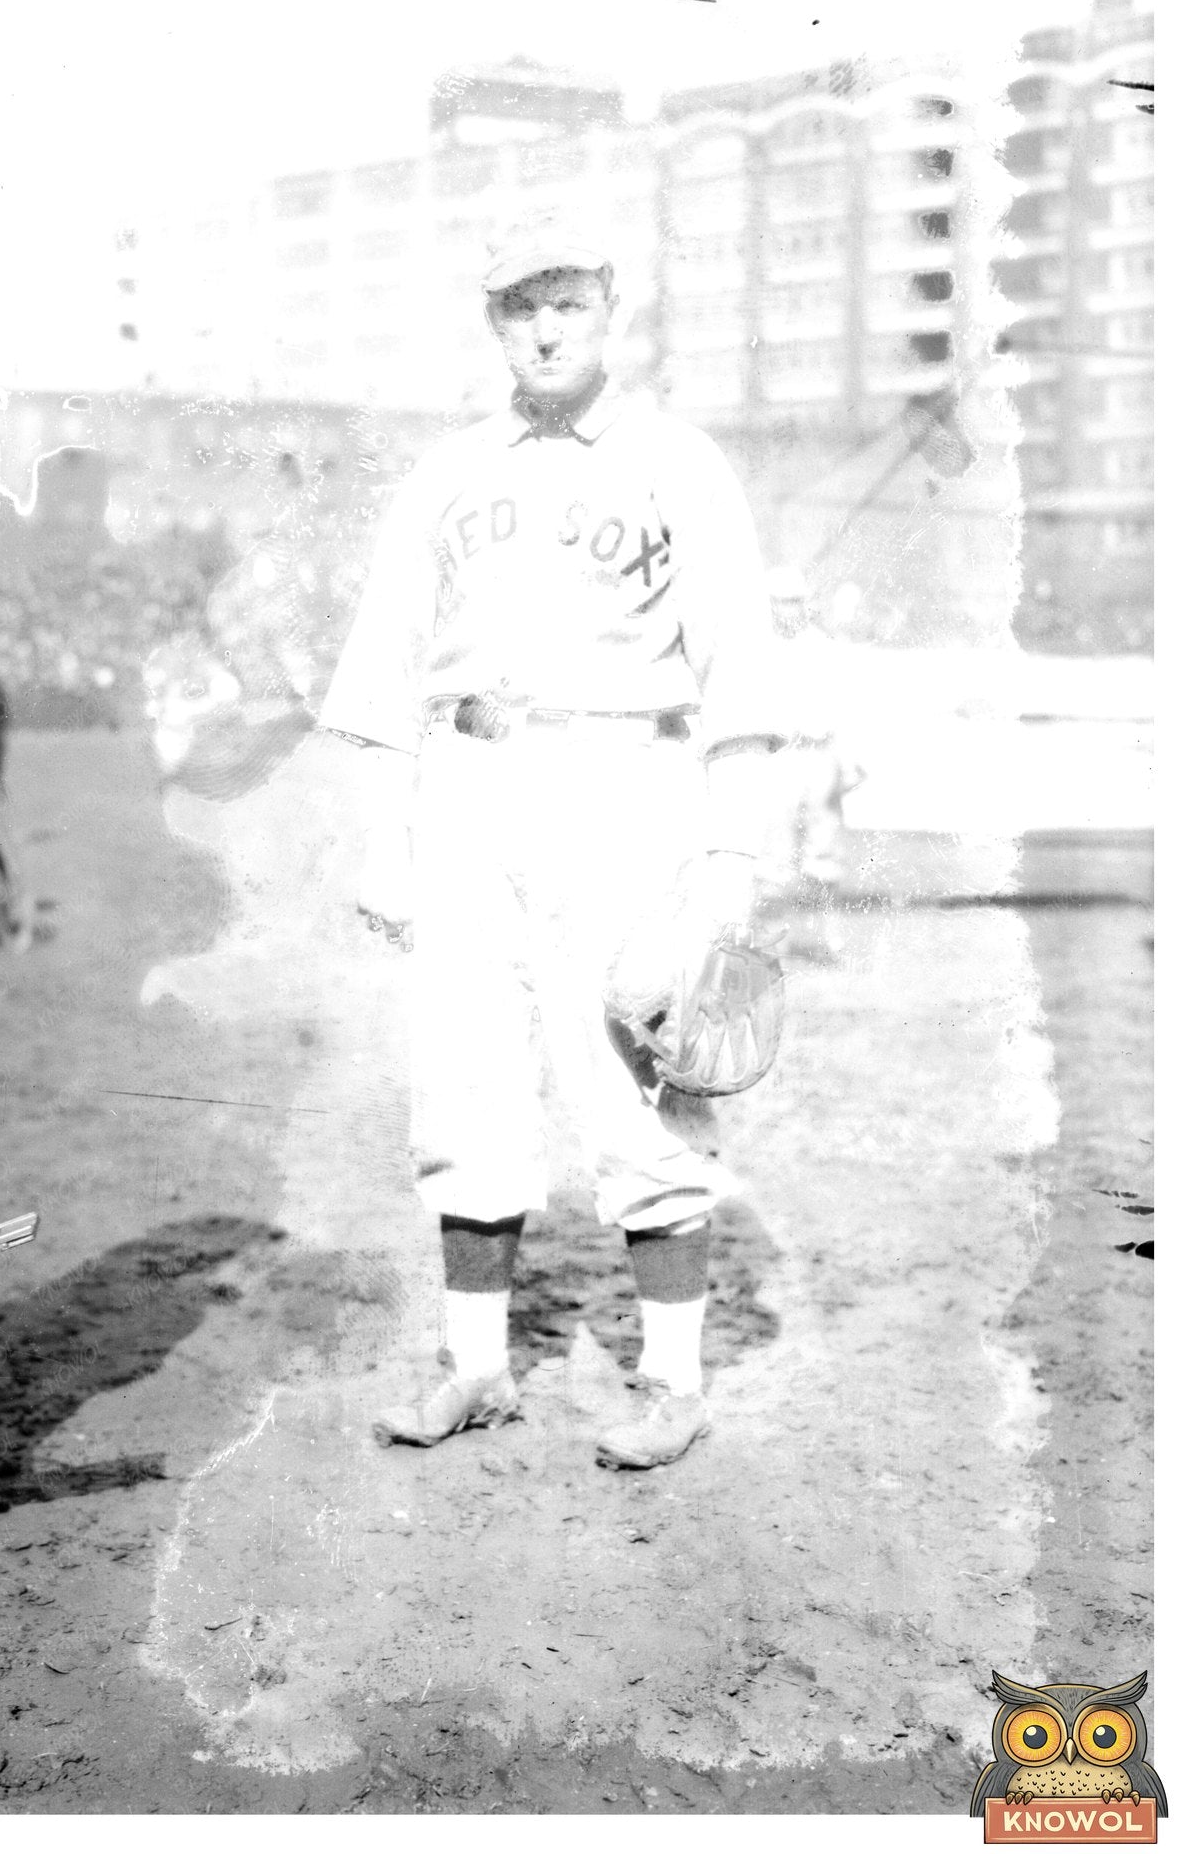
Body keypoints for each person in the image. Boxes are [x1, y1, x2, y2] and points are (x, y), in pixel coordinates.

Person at [320, 217, 784, 1470]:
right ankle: (477, 1366)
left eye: (567, 301)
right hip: (471, 779)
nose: (544, 327)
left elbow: (741, 669)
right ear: (493, 322)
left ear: (609, 307)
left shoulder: (678, 460)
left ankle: (673, 1380)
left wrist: (730, 860)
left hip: (623, 779)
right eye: (520, 305)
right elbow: (384, 667)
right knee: (462, 1072)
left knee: (637, 1074)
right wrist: (386, 841)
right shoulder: (449, 470)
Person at [757, 565, 865, 965]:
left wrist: (848, 763)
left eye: (795, 601)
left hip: (819, 757)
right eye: (780, 602)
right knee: (773, 857)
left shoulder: (823, 648)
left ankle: (830, 941)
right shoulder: (757, 650)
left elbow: (845, 710)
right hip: (778, 758)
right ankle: (772, 945)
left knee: (824, 853)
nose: (788, 610)